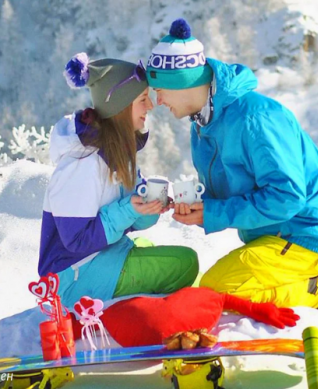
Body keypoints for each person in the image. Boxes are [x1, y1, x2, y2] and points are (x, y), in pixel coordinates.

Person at [146, 19, 318, 313]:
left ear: (182, 82)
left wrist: (214, 212)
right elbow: (232, 187)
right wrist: (194, 205)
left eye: (160, 90)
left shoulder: (255, 119)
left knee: (217, 291)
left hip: (304, 234)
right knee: (211, 290)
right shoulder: (204, 123)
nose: (157, 101)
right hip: (271, 236)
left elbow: (288, 196)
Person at [38, 53, 199, 308]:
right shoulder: (83, 164)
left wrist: (151, 206)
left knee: (147, 245)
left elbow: (131, 225)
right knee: (186, 262)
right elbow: (76, 240)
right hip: (69, 277)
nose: (151, 106)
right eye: (143, 99)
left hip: (100, 256)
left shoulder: (118, 154)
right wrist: (129, 208)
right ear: (120, 106)